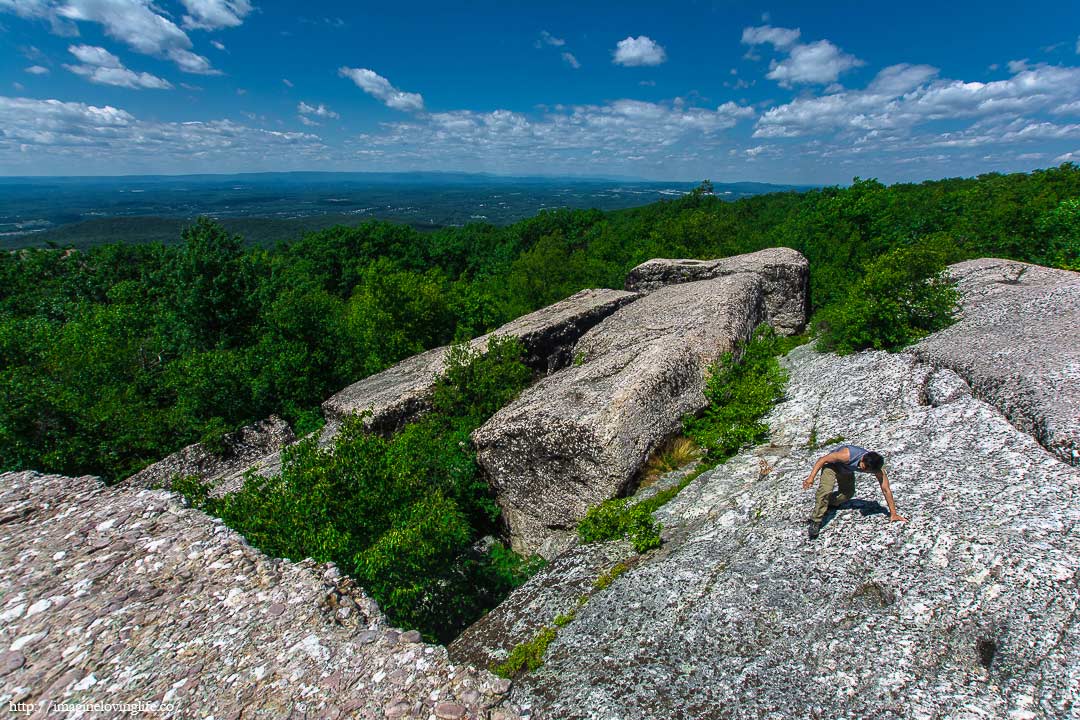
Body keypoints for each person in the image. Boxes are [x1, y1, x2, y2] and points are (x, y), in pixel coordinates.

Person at [802, 444, 906, 539]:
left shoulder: (875, 467)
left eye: (868, 471)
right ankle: (816, 521)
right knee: (825, 490)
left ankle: (828, 503)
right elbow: (823, 459)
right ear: (862, 459)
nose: (864, 471)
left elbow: (886, 489)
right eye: (864, 468)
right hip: (831, 466)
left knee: (847, 493)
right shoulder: (846, 455)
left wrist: (893, 513)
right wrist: (811, 478)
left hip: (846, 470)